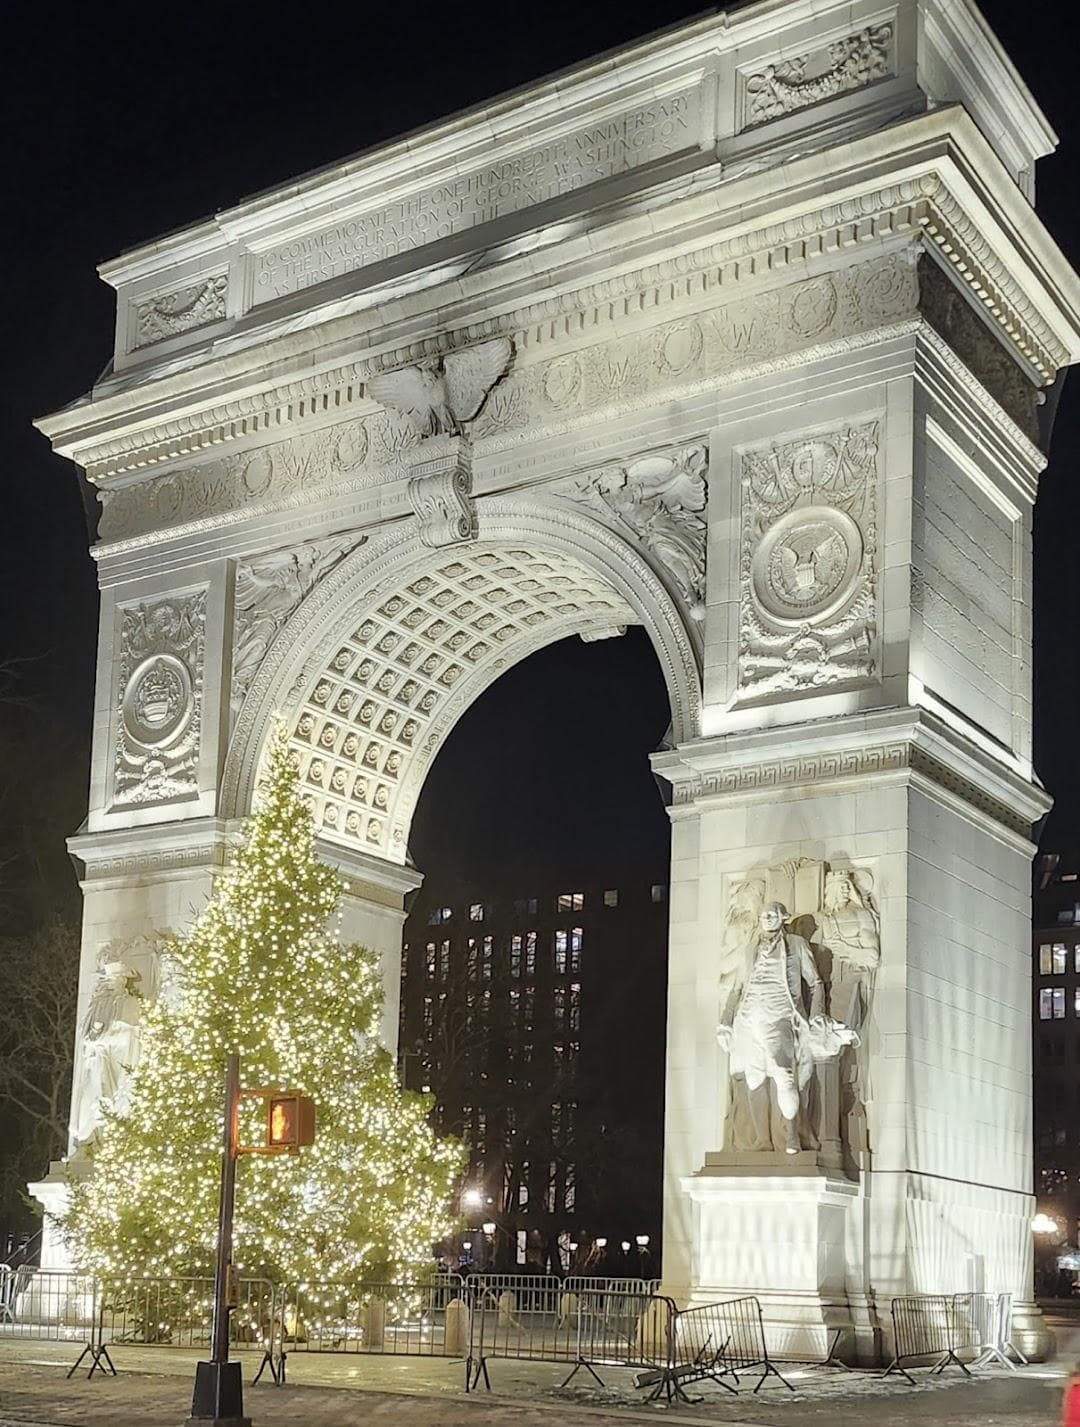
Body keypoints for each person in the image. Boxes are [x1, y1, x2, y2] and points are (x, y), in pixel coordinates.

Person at [718, 902, 855, 1153]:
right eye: (763, 915)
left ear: (783, 917)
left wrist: (816, 1015)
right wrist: (725, 1022)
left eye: (771, 914)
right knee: (754, 1078)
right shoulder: (750, 949)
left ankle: (792, 1133)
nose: (766, 918)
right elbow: (736, 989)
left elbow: (815, 982)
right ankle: (763, 1140)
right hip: (748, 1019)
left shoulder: (796, 944)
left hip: (781, 1015)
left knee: (784, 1073)